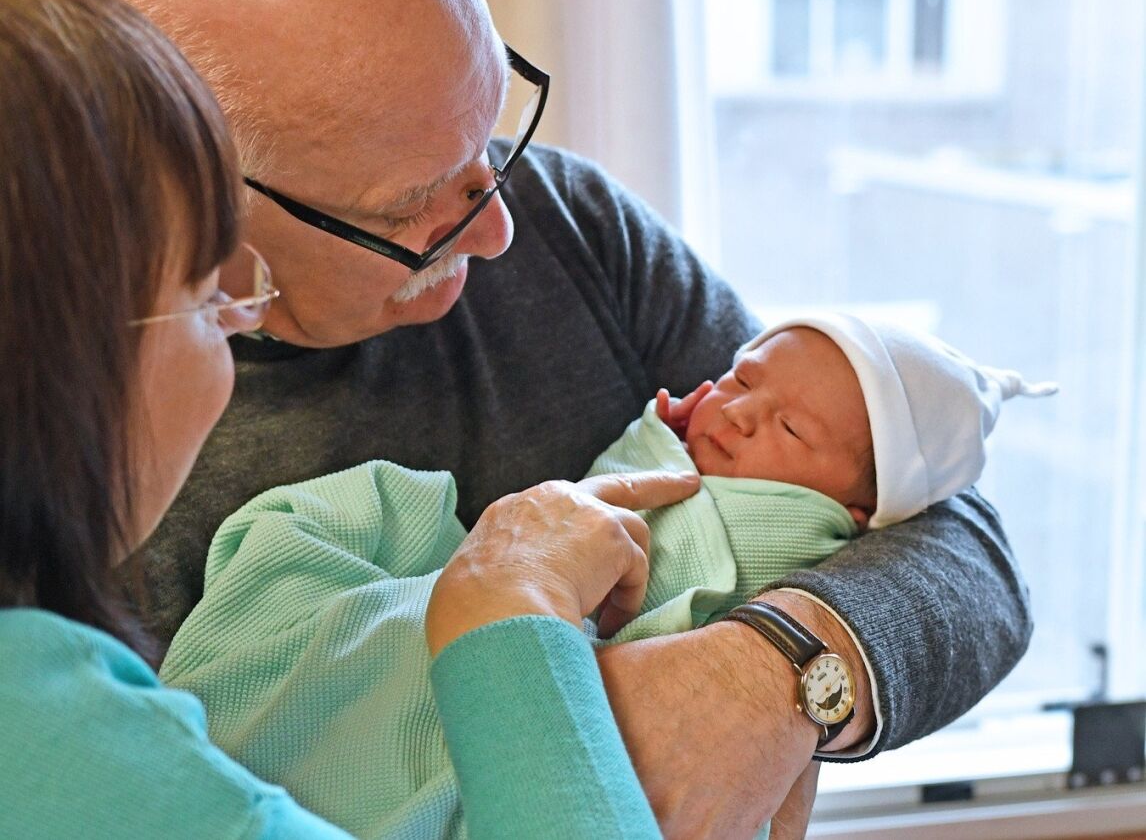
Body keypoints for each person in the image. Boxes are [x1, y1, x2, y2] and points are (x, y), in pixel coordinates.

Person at [1, 0, 1032, 834]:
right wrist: (525, 657)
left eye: (490, 130)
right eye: (413, 203)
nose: (497, 224)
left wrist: (783, 668)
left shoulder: (568, 229)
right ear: (160, 178)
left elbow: (946, 526)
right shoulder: (70, 482)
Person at [0, 0, 699, 839]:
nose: (241, 306)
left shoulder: (581, 227)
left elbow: (908, 508)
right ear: (60, 345)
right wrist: (512, 610)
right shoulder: (80, 753)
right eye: (204, 288)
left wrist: (793, 658)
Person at [159, 312, 1054, 839]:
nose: (737, 412)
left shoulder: (588, 232)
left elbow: (967, 548)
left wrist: (777, 665)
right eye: (738, 379)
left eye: (789, 433)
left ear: (858, 510)